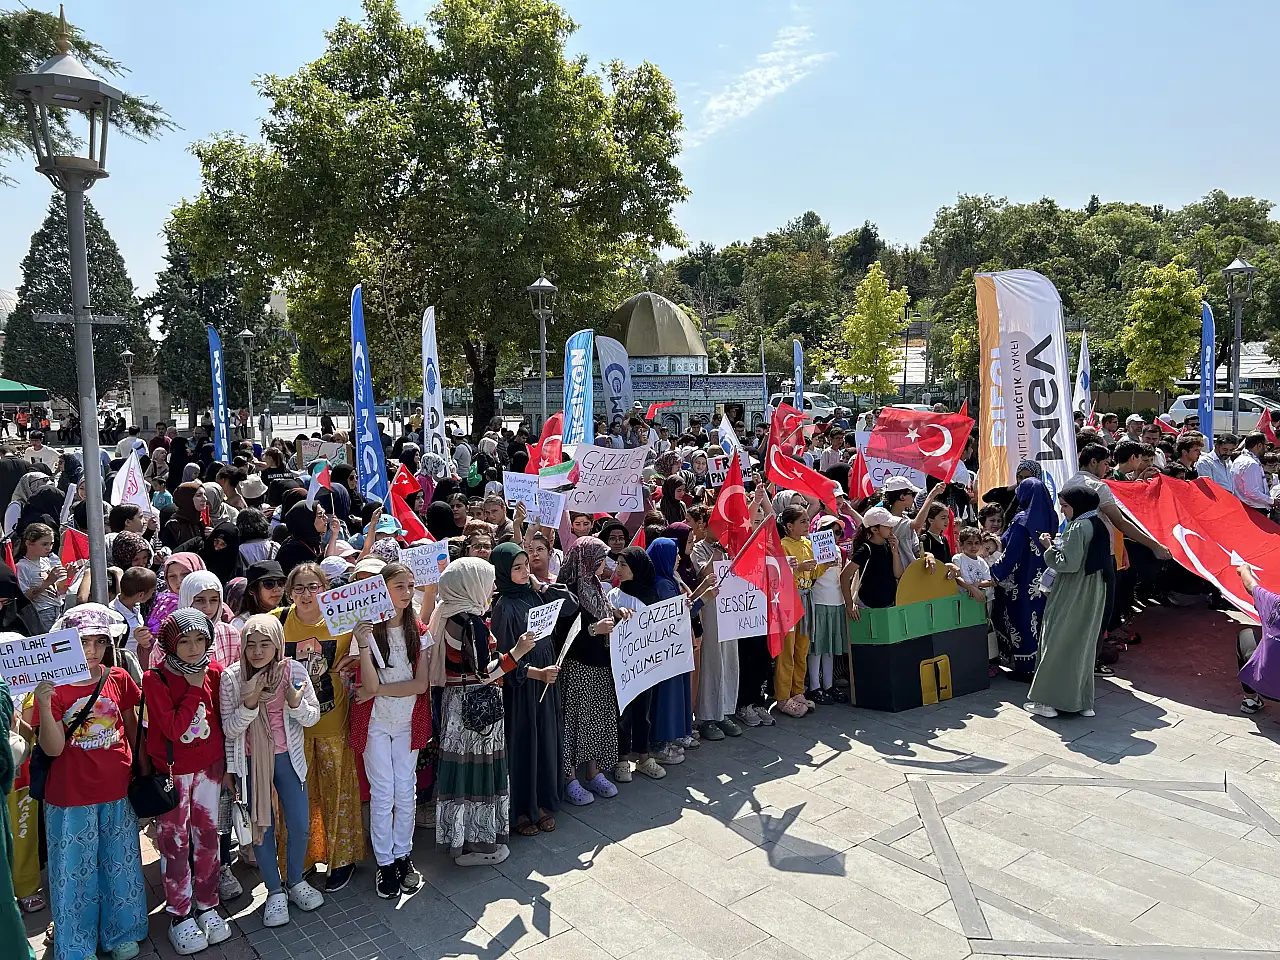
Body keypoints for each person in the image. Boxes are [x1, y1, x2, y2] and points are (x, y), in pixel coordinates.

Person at [32, 604, 149, 960]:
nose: (93, 650)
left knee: (120, 863)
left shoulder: (118, 677)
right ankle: (77, 944)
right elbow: (52, 747)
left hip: (117, 789)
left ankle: (122, 931)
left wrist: (144, 770)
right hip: (70, 796)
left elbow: (131, 726)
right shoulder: (52, 688)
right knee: (74, 872)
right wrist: (43, 703)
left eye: (99, 641)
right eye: (83, 641)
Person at [219, 613, 324, 928]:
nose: (257, 651)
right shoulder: (232, 678)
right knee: (261, 829)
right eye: (250, 644)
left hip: (289, 759)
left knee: (300, 823)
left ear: (278, 644)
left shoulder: (294, 671)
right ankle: (275, 891)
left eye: (265, 644)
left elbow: (312, 716)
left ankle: (295, 881)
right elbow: (229, 730)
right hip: (252, 762)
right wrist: (250, 703)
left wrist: (295, 703)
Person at [430, 558, 532, 866]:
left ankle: (460, 840)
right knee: (480, 772)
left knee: (462, 773)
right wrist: (517, 652)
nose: (493, 587)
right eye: (487, 581)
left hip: (457, 706)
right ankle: (481, 845)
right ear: (470, 585)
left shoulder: (448, 613)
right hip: (477, 711)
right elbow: (483, 673)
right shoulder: (470, 622)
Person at [145, 609, 233, 955]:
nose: (194, 648)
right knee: (175, 843)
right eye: (184, 641)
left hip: (210, 768)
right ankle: (179, 914)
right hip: (172, 774)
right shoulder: (156, 678)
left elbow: (223, 721)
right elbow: (172, 728)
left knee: (209, 837)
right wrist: (194, 690)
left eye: (200, 639)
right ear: (170, 644)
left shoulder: (215, 671)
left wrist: (228, 767)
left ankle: (208, 905)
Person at [277, 562, 364, 889]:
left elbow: (370, 645)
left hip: (332, 720)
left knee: (337, 791)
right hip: (290, 728)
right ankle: (301, 859)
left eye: (313, 586)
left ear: (325, 589)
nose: (306, 594)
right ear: (290, 592)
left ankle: (343, 860)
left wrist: (358, 656)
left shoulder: (342, 618)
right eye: (299, 587)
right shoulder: (278, 621)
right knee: (297, 796)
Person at [350, 562, 431, 897]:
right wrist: (363, 645)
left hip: (408, 722)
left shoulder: (419, 631)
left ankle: (403, 855)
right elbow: (367, 685)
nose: (407, 593)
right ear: (381, 589)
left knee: (405, 790)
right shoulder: (368, 631)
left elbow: (420, 684)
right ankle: (385, 862)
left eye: (410, 586)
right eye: (399, 586)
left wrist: (380, 690)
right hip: (376, 724)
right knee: (383, 792)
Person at [489, 543, 578, 835]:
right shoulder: (503, 606)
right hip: (523, 687)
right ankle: (520, 810)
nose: (524, 571)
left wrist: (542, 586)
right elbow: (503, 659)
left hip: (547, 679)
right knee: (524, 743)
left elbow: (570, 605)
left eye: (526, 565)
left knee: (545, 739)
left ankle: (541, 801)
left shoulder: (536, 594)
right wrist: (535, 673)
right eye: (517, 567)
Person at [1023, 487, 1109, 719]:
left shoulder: (1078, 527)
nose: (1062, 511)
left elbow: (1068, 564)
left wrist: (1049, 547)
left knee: (1056, 640)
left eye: (1065, 506)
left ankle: (1047, 702)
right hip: (1094, 590)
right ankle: (1083, 703)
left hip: (1073, 589)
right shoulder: (1098, 523)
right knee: (1083, 645)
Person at [558, 537, 628, 806]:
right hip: (577, 666)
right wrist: (592, 629)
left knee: (596, 719)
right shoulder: (568, 590)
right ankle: (569, 778)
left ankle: (593, 771)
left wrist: (617, 613)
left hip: (600, 664)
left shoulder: (596, 586)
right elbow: (562, 633)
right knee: (574, 721)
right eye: (599, 558)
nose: (603, 563)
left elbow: (604, 615)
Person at [990, 478, 1056, 681]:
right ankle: (1042, 662)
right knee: (1040, 619)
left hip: (1021, 580)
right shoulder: (1051, 516)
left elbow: (1012, 552)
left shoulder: (1022, 520)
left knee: (1023, 619)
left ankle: (1026, 668)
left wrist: (994, 573)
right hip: (1043, 579)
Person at [775, 506, 827, 717]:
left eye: (807, 520)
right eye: (803, 521)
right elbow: (778, 574)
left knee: (802, 648)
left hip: (806, 598)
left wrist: (825, 565)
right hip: (789, 601)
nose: (807, 524)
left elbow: (813, 572)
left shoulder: (807, 543)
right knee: (787, 650)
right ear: (789, 526)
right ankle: (782, 696)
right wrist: (797, 568)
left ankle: (797, 691)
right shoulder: (782, 545)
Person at [17, 522, 70, 632]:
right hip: (41, 611)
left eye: (51, 544)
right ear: (29, 543)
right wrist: (47, 582)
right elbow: (24, 598)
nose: (49, 548)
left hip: (58, 607)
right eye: (44, 544)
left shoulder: (46, 561)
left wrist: (68, 575)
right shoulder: (22, 566)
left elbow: (56, 589)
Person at [1230, 432, 1273, 515]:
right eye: (1266, 445)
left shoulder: (1239, 460)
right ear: (1259, 446)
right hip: (1254, 509)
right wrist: (1272, 501)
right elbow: (1252, 492)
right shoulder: (1251, 463)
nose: (1267, 449)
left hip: (1243, 507)